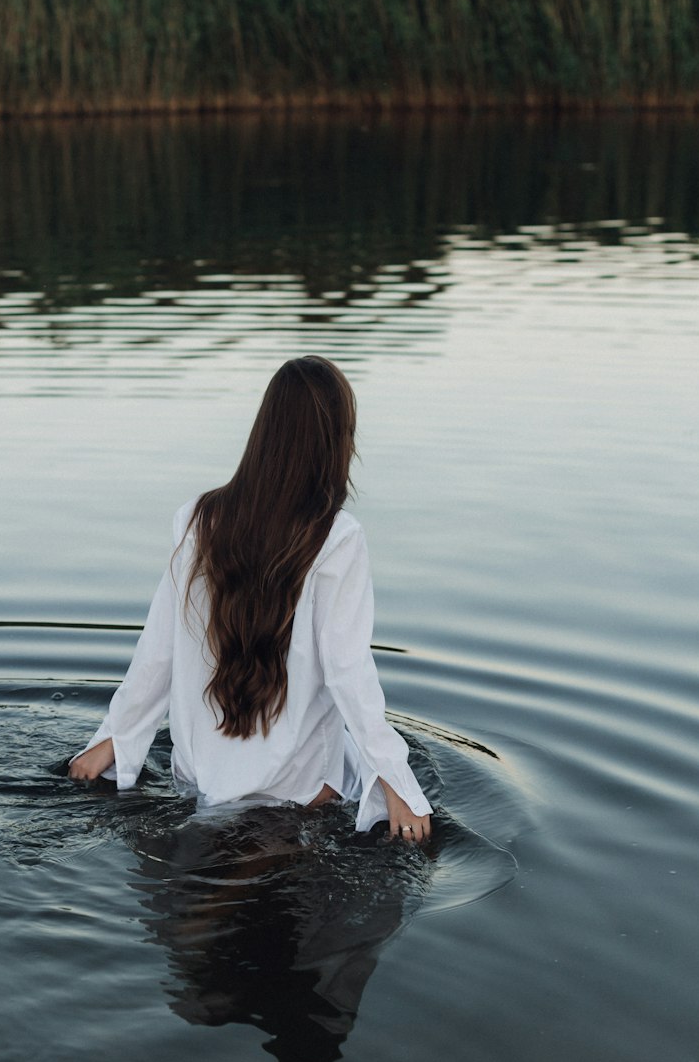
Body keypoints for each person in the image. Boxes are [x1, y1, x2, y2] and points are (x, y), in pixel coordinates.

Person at [69, 355, 432, 842]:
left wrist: (115, 738)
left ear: (265, 432)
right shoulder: (338, 538)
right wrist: (397, 780)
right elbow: (349, 670)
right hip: (294, 785)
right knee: (345, 770)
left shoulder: (201, 519)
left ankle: (219, 887)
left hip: (200, 776)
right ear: (336, 442)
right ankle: (243, 874)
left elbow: (158, 649)